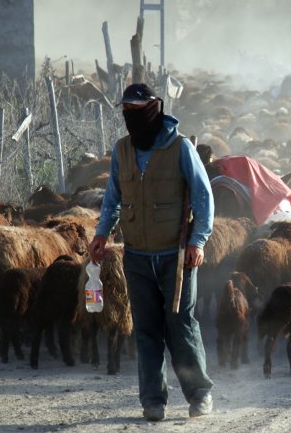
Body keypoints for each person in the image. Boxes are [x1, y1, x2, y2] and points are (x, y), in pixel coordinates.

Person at [88, 83, 214, 422]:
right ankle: (153, 400)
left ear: (154, 108)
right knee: (146, 329)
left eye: (137, 109)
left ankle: (199, 394)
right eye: (126, 110)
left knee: (181, 325)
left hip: (176, 256)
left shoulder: (180, 147)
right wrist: (102, 233)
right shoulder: (122, 150)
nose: (131, 116)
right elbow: (113, 198)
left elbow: (203, 197)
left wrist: (197, 241)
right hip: (138, 256)